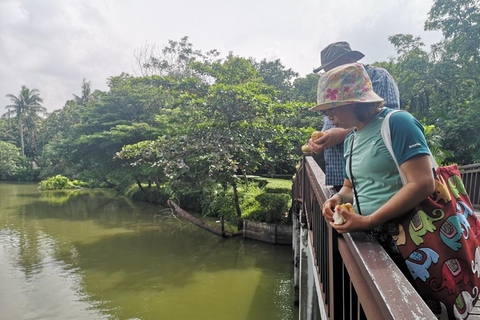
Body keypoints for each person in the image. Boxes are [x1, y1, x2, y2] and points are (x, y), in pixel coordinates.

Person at [310, 62, 434, 240]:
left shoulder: (398, 122)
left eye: (331, 109)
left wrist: (369, 221)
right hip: (372, 240)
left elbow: (423, 183)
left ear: (352, 102)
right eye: (325, 113)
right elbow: (350, 187)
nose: (329, 118)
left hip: (409, 238)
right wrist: (338, 199)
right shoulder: (351, 138)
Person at [308, 41, 400, 191]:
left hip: (374, 179)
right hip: (342, 176)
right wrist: (320, 141)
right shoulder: (333, 90)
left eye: (333, 69)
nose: (330, 76)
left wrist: (343, 134)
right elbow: (332, 124)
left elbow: (388, 120)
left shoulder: (379, 76)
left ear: (349, 60)